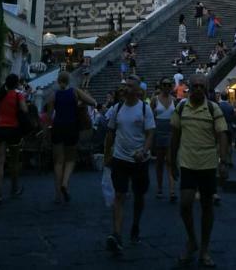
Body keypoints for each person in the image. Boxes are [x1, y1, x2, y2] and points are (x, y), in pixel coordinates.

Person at [170, 73, 229, 267]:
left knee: (207, 207)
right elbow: (175, 135)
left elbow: (222, 135)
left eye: (201, 86)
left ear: (206, 89)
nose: (197, 89)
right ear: (189, 87)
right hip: (187, 162)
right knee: (185, 204)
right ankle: (192, 241)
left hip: (208, 163)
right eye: (194, 86)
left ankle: (204, 248)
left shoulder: (213, 109)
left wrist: (223, 161)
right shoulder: (180, 107)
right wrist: (172, 160)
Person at [104, 75, 156, 254]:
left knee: (139, 196)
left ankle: (135, 224)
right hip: (120, 158)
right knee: (119, 194)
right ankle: (116, 234)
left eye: (130, 85)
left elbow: (150, 133)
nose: (125, 88)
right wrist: (106, 155)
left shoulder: (144, 108)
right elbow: (110, 132)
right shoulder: (117, 107)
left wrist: (144, 151)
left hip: (139, 159)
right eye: (125, 85)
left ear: (138, 90)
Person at [46, 70, 96, 203]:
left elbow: (49, 116)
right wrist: (80, 104)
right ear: (69, 81)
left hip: (58, 127)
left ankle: (57, 195)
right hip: (71, 127)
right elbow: (93, 102)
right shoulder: (75, 92)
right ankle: (65, 183)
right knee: (70, 159)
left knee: (58, 162)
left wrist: (46, 129)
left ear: (58, 81)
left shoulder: (53, 95)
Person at [0, 73, 28, 205]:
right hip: (13, 129)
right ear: (17, 83)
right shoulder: (19, 95)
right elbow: (24, 110)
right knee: (14, 161)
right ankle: (14, 188)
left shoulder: (0, 96)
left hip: (0, 129)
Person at [151, 78, 176, 202]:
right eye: (164, 84)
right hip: (158, 131)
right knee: (159, 162)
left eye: (169, 84)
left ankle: (172, 190)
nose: (167, 86)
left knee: (170, 162)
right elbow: (150, 116)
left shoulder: (174, 100)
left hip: (170, 131)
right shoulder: (154, 99)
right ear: (161, 86)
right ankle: (160, 187)